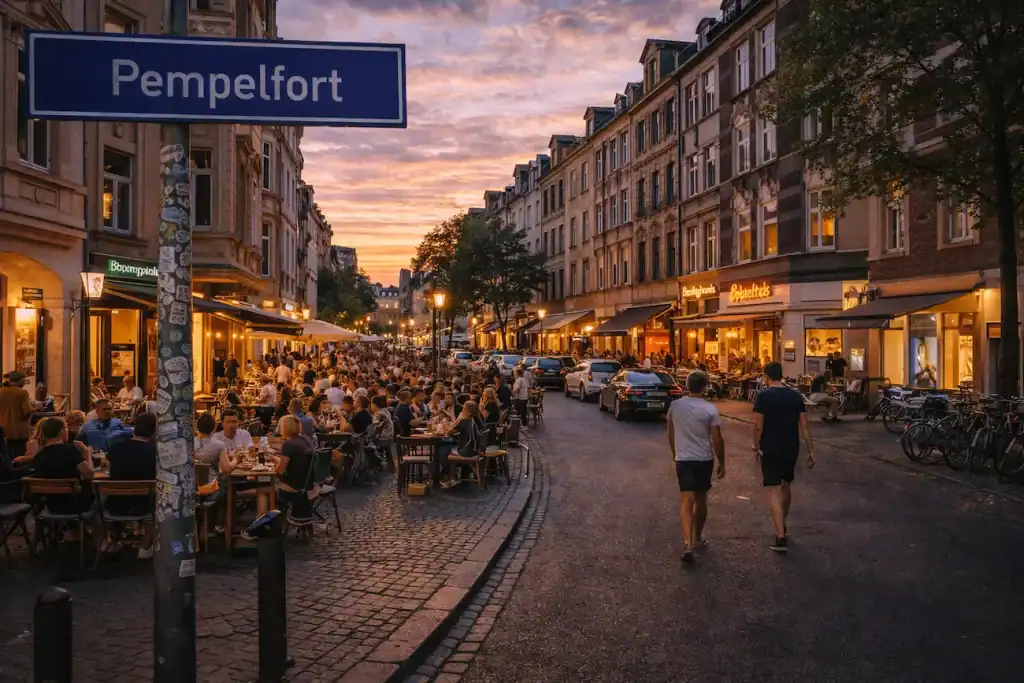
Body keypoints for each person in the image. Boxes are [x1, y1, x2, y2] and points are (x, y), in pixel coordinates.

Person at [752, 362, 816, 553]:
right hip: (791, 447)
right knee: (786, 484)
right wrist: (811, 450)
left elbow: (758, 426)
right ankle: (783, 524)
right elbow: (805, 425)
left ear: (767, 377)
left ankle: (780, 536)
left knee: (773, 490)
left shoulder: (763, 396)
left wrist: (756, 445)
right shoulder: (795, 396)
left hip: (770, 447)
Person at [667, 371, 726, 565]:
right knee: (701, 501)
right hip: (703, 458)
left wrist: (675, 452)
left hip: (683, 459)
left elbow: (670, 432)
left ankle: (687, 543)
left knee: (686, 501)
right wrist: (722, 462)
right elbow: (717, 439)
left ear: (686, 385)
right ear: (705, 387)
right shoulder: (710, 409)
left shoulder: (675, 406)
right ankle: (697, 537)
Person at [104, 412, 158, 558]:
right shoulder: (155, 452)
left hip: (115, 504)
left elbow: (109, 471)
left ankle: (112, 540)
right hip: (144, 505)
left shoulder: (116, 447)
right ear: (154, 431)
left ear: (134, 428)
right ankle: (146, 545)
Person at [32, 417, 96, 516]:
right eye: (66, 428)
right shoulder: (71, 451)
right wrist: (87, 453)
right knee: (101, 501)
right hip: (77, 505)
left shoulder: (38, 456)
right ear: (61, 431)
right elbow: (89, 475)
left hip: (53, 506)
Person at [274, 415, 314, 525]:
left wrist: (273, 465)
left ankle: (273, 522)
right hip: (308, 482)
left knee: (267, 485)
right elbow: (293, 461)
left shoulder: (288, 444)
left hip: (295, 486)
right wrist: (275, 458)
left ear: (285, 428)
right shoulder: (305, 439)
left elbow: (280, 471)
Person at [0, 371, 34, 458]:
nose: (24, 382)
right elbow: (27, 411)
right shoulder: (22, 393)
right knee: (20, 455)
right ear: (20, 380)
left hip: (4, 429)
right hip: (20, 431)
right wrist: (37, 408)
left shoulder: (1, 391)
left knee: (7, 455)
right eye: (24, 379)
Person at [194, 412, 236, 477]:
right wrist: (236, 459)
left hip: (191, 484)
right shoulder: (219, 445)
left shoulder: (189, 443)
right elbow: (227, 469)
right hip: (211, 485)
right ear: (214, 427)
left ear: (197, 426)